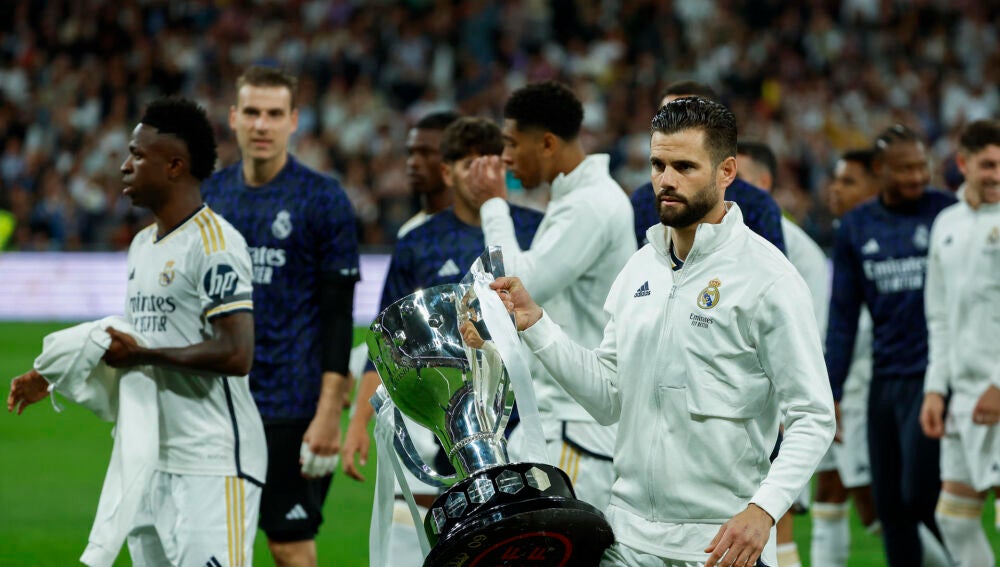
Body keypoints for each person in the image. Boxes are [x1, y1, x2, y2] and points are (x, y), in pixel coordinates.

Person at [493, 96, 835, 567]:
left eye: (685, 167)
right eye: (658, 165)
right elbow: (608, 396)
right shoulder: (639, 269)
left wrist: (765, 509)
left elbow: (813, 415)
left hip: (718, 544)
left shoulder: (768, 278)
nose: (666, 180)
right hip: (629, 537)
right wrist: (537, 326)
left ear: (727, 171)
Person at [8, 97, 266, 566]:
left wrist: (144, 357)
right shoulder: (142, 244)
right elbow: (136, 335)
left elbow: (236, 352)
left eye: (137, 155)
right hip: (149, 458)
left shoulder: (216, 244)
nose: (124, 166)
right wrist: (52, 373)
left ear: (174, 166)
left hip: (212, 463)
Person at [341, 116, 543, 565]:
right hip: (446, 416)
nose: (481, 174)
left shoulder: (536, 230)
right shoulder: (419, 241)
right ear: (449, 172)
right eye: (469, 164)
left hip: (528, 413)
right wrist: (357, 424)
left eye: (490, 162)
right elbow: (387, 344)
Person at [201, 66, 359, 567]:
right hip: (218, 404)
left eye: (274, 114)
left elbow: (339, 315)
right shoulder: (210, 198)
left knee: (289, 546)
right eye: (252, 112)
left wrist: (329, 413)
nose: (261, 125)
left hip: (292, 405)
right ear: (233, 118)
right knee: (212, 544)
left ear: (294, 121)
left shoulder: (323, 198)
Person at [466, 80, 635, 511]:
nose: (505, 156)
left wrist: (493, 205)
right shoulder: (577, 198)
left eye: (511, 143)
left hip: (575, 428)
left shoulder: (590, 204)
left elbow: (520, 284)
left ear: (546, 143)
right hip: (564, 421)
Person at [825, 124, 955, 566]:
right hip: (885, 379)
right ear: (880, 169)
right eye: (905, 169)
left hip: (933, 375)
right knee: (890, 504)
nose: (918, 176)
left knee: (919, 495)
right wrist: (832, 389)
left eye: (922, 166)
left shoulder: (946, 213)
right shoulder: (856, 227)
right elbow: (843, 317)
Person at [735, 140, 829, 567]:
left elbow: (810, 339)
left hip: (781, 399)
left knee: (777, 518)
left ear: (765, 182)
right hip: (745, 400)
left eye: (741, 179)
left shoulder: (796, 251)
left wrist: (787, 410)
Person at [919, 119, 1000, 567]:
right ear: (963, 164)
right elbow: (940, 316)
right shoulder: (946, 224)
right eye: (988, 165)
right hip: (964, 395)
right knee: (954, 519)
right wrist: (936, 388)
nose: (997, 175)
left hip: (996, 389)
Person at [810, 150, 882, 567]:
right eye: (835, 180)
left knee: (874, 508)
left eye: (849, 181)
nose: (835, 189)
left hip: (862, 389)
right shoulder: (840, 239)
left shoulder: (881, 242)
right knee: (829, 492)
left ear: (876, 186)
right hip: (832, 384)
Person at [630, 80, 786, 254]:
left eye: (685, 166)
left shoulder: (757, 204)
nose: (675, 123)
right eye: (666, 114)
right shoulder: (641, 202)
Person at [398, 110, 462, 237]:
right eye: (410, 153)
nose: (413, 162)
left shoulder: (490, 229)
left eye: (426, 153)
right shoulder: (408, 233)